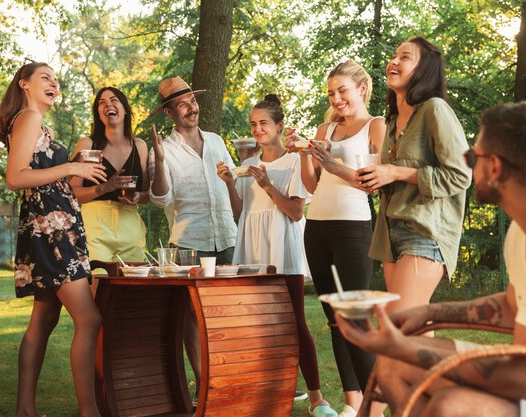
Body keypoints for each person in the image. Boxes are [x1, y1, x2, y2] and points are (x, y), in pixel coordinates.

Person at [337, 101, 526, 417]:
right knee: (394, 365)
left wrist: (399, 344)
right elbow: (514, 305)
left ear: (496, 167)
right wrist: (428, 313)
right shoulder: (525, 231)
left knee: (451, 406)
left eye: (472, 158)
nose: (469, 167)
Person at [0, 62, 106, 417]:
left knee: (43, 322)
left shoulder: (37, 122)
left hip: (55, 228)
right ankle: (91, 413)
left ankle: (24, 410)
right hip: (51, 232)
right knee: (89, 320)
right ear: (24, 84)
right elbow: (15, 177)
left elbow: (39, 173)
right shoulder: (27, 119)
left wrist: (76, 169)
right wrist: (72, 167)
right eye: (46, 77)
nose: (53, 83)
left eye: (56, 79)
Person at [217, 95, 338, 417]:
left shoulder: (294, 161)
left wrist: (269, 186)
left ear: (279, 126)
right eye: (253, 124)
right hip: (251, 247)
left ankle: (317, 398)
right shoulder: (248, 166)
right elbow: (241, 212)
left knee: (295, 322)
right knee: (256, 324)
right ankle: (265, 392)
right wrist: (231, 184)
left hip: (282, 246)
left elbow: (296, 212)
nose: (257, 129)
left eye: (264, 124)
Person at [285, 59, 386, 417]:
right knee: (333, 319)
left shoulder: (376, 126)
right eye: (331, 92)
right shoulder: (324, 128)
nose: (337, 98)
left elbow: (372, 182)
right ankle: (354, 403)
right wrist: (303, 155)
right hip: (318, 226)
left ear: (361, 88)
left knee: (354, 317)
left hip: (353, 226)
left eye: (343, 90)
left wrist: (330, 163)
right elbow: (312, 185)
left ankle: (377, 402)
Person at [357, 36, 471, 315]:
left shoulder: (435, 109)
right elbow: (394, 177)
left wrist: (395, 171)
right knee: (408, 329)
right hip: (389, 233)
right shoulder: (392, 121)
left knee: (400, 323)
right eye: (393, 56)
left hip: (425, 230)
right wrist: (377, 180)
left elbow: (461, 175)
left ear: (424, 70)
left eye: (405, 57)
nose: (393, 61)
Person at [148, 76, 237, 404]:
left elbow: (232, 185)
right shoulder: (164, 150)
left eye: (193, 101)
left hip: (227, 238)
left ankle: (227, 378)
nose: (192, 108)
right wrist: (158, 161)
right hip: (189, 244)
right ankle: (204, 384)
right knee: (191, 318)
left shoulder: (216, 141)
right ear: (169, 112)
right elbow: (161, 199)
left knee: (227, 313)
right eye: (182, 104)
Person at [70, 87, 149, 295]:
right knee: (99, 295)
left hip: (131, 227)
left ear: (125, 110)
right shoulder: (89, 145)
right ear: (98, 113)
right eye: (101, 103)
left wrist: (140, 196)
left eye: (113, 100)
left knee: (133, 296)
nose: (107, 105)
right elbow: (72, 192)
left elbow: (151, 194)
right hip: (95, 227)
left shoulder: (139, 146)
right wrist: (104, 188)